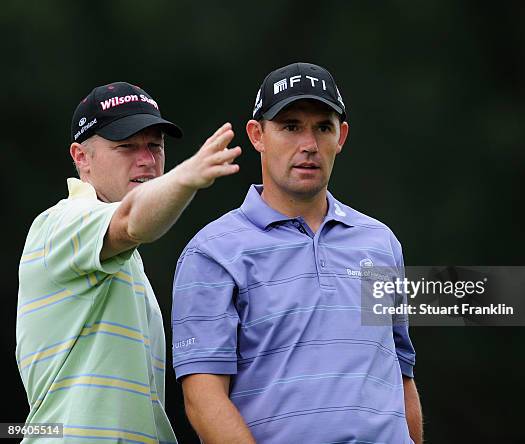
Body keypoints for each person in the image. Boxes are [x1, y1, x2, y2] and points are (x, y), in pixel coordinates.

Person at [172, 63, 423, 443]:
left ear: (342, 137)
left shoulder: (380, 242)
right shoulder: (212, 252)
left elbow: (400, 374)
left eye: (323, 127)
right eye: (290, 126)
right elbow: (203, 398)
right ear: (257, 135)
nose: (309, 144)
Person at [16, 81, 241, 443]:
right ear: (81, 157)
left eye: (155, 146)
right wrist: (186, 176)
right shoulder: (62, 223)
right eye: (127, 146)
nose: (148, 160)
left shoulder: (125, 259)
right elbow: (130, 222)